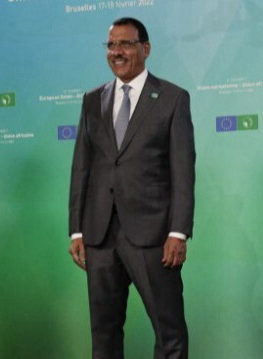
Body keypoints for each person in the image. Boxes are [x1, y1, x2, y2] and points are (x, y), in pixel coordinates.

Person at [67, 17, 195, 359]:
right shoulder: (92, 100)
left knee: (169, 332)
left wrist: (178, 232)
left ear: (145, 48)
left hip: (154, 236)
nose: (117, 52)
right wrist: (77, 230)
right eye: (111, 45)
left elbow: (182, 172)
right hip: (100, 235)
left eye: (125, 44)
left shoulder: (172, 98)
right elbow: (82, 167)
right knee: (104, 334)